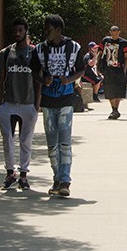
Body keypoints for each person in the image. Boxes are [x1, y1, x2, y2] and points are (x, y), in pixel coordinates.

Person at [37, 14, 86, 197]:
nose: (46, 32)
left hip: (66, 99)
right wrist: (44, 80)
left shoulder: (73, 47)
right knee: (52, 144)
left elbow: (81, 68)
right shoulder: (41, 49)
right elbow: (34, 71)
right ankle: (56, 177)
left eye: (49, 29)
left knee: (64, 141)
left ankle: (65, 180)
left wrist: (70, 80)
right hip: (48, 101)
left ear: (58, 29)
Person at [0, 17, 43, 190]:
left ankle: (23, 174)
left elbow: (38, 81)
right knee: (7, 139)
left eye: (20, 31)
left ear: (26, 32)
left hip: (27, 103)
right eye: (15, 31)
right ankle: (10, 172)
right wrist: (0, 105)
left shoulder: (34, 53)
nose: (17, 33)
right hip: (9, 102)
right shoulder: (6, 53)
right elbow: (1, 80)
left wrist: (36, 105)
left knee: (26, 140)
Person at [100, 25, 127, 120]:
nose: (115, 33)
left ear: (119, 32)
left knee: (119, 90)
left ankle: (115, 109)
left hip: (119, 69)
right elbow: (100, 53)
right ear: (110, 32)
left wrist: (125, 69)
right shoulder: (105, 41)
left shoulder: (124, 43)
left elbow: (126, 57)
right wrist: (97, 65)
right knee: (109, 89)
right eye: (113, 31)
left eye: (116, 31)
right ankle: (114, 109)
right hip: (107, 69)